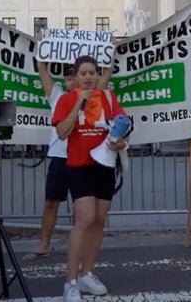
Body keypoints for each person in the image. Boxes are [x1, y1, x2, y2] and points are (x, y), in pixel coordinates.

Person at [52, 56, 128, 302]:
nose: (88, 77)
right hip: (79, 165)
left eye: (92, 72)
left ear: (97, 75)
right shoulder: (66, 99)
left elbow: (122, 126)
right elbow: (62, 133)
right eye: (83, 73)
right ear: (75, 76)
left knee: (98, 220)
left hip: (104, 165)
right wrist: (78, 104)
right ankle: (70, 281)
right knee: (84, 219)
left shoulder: (107, 98)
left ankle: (87, 273)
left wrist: (121, 143)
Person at [24, 61, 111, 261]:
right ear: (66, 80)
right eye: (70, 78)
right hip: (60, 158)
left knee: (83, 211)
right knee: (51, 203)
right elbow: (43, 71)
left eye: (76, 77)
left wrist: (110, 53)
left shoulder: (94, 94)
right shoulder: (58, 97)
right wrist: (40, 51)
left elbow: (105, 74)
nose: (73, 82)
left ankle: (82, 249)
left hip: (83, 160)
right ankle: (43, 245)